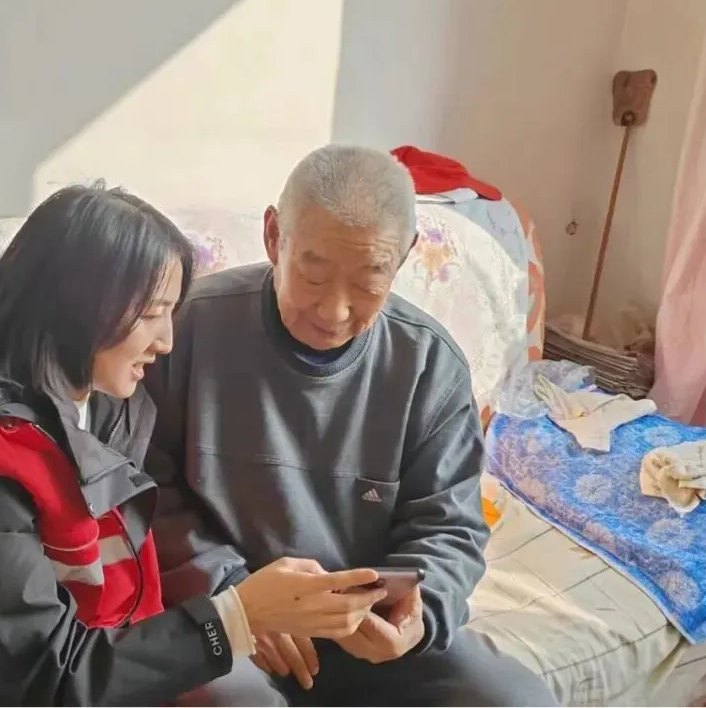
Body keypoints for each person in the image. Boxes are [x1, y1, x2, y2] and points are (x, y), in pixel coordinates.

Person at [0, 184, 390, 706]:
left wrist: (242, 609)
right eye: (153, 315)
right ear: (78, 308)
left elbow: (112, 611)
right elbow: (44, 681)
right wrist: (236, 616)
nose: (166, 341)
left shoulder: (106, 408)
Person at [145, 146, 559, 707]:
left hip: (363, 628)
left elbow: (448, 525)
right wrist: (238, 599)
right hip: (230, 613)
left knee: (512, 699)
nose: (335, 311)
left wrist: (416, 615)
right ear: (274, 237)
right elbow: (142, 489)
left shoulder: (428, 365)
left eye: (368, 283)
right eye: (312, 274)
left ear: (404, 258)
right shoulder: (188, 329)